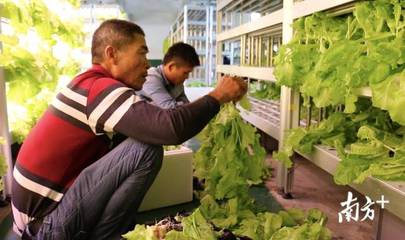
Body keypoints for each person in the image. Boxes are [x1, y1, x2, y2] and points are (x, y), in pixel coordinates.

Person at [11, 19, 247, 240]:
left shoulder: (91, 84)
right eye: (142, 53)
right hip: (44, 227)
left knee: (141, 141)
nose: (148, 63)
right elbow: (170, 128)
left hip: (47, 219)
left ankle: (109, 233)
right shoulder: (98, 88)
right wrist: (219, 95)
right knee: (146, 148)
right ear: (112, 54)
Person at [137, 42, 199, 109]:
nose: (187, 77)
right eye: (185, 73)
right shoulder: (151, 78)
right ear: (171, 67)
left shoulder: (177, 82)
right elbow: (170, 109)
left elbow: (186, 106)